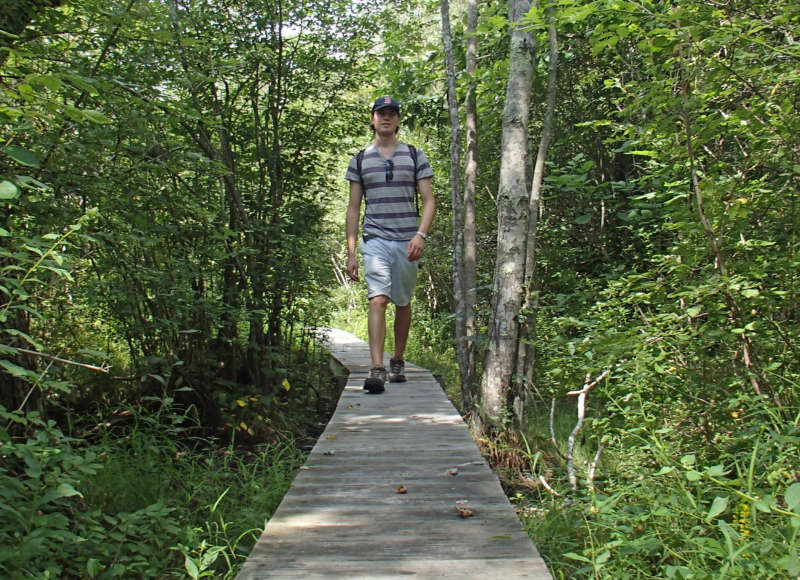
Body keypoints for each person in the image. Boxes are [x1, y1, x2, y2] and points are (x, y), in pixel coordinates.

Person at [345, 96, 435, 394]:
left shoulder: (414, 155)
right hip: (376, 239)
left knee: (403, 301)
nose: (386, 118)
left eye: (391, 114)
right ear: (372, 119)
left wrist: (420, 234)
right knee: (378, 299)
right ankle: (377, 368)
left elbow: (429, 200)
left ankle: (397, 358)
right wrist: (351, 252)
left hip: (407, 240)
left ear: (397, 121)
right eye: (380, 113)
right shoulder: (359, 159)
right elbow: (354, 208)